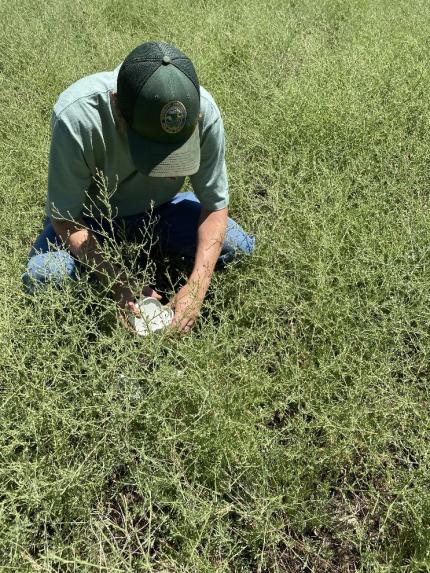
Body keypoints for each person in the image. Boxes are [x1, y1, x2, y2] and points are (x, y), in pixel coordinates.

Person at [23, 41, 255, 332]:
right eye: (151, 151)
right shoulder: (77, 117)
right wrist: (118, 282)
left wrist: (196, 288)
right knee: (46, 276)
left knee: (237, 247)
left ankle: (150, 258)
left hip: (160, 211)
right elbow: (64, 218)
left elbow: (215, 206)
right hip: (90, 220)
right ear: (117, 107)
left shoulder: (203, 113)